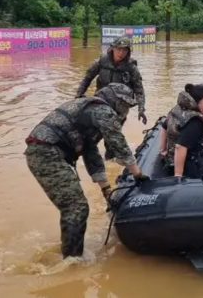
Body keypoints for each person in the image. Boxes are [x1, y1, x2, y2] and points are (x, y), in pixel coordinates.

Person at [24, 83, 149, 259]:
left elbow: (90, 152)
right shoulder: (102, 110)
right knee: (76, 207)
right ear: (115, 100)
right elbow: (118, 142)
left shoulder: (89, 108)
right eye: (125, 105)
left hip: (42, 152)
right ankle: (72, 261)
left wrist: (105, 188)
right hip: (47, 153)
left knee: (74, 206)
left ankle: (69, 252)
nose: (125, 111)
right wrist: (137, 173)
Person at [75, 36, 147, 125]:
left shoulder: (131, 68)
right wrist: (78, 96)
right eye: (119, 49)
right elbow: (87, 78)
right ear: (113, 48)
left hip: (119, 107)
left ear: (128, 51)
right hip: (101, 100)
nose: (121, 53)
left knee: (113, 133)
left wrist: (141, 109)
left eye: (125, 50)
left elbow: (139, 90)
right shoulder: (101, 62)